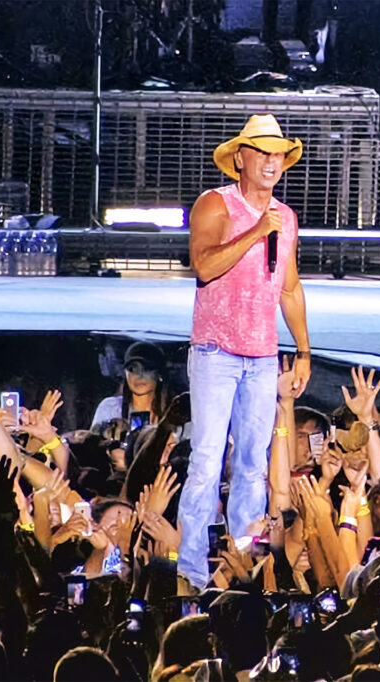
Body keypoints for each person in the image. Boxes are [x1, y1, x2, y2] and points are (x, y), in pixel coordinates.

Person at [177, 113, 311, 590]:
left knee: (253, 465)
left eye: (279, 154)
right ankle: (191, 572)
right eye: (263, 152)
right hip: (216, 351)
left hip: (263, 355)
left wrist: (304, 350)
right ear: (240, 158)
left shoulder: (286, 217)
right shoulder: (216, 204)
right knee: (207, 461)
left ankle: (243, 567)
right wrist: (255, 231)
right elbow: (204, 265)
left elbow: (289, 288)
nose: (272, 162)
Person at [90, 341, 171, 429]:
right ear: (125, 372)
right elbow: (93, 437)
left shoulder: (172, 412)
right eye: (132, 369)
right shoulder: (110, 408)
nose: (139, 375)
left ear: (159, 374)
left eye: (147, 369)